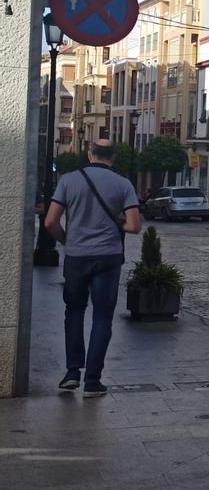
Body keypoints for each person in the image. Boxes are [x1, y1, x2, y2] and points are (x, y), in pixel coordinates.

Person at [43, 139, 141, 398]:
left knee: (73, 312)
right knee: (102, 316)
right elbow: (134, 226)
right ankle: (93, 380)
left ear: (89, 155)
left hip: (77, 256)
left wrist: (67, 240)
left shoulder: (68, 180)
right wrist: (117, 223)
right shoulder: (124, 184)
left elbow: (50, 221)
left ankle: (72, 372)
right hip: (108, 257)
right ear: (114, 157)